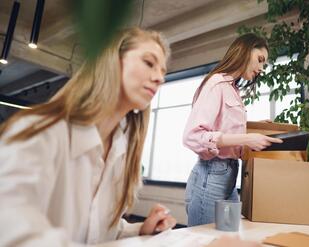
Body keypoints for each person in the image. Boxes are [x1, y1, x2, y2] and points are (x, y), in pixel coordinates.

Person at [0, 27, 177, 246]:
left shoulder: (121, 149)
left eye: (163, 72)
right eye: (149, 63)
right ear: (112, 61)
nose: (160, 78)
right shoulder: (41, 132)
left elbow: (97, 229)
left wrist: (141, 228)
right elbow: (10, 230)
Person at [183, 33, 283, 226]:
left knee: (228, 237)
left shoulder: (232, 89)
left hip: (230, 174)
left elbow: (225, 127)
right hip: (211, 175)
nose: (262, 69)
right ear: (245, 51)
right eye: (260, 60)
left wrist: (255, 127)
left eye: (265, 64)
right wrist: (246, 139)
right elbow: (192, 136)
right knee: (205, 242)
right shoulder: (216, 83)